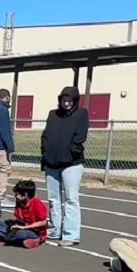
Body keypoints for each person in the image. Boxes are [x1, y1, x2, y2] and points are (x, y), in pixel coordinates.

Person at [40, 86, 88, 246]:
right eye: (64, 100)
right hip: (51, 164)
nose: (66, 103)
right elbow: (45, 135)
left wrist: (69, 154)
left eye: (69, 100)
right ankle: (54, 229)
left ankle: (70, 234)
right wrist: (45, 154)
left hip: (71, 164)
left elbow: (80, 137)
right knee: (53, 199)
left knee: (71, 199)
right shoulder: (53, 114)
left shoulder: (81, 114)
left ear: (75, 101)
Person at [0, 179, 47, 248]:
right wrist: (15, 226)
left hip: (34, 231)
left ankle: (36, 240)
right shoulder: (19, 202)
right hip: (20, 226)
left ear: (25, 195)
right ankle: (11, 238)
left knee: (21, 234)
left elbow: (43, 222)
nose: (15, 196)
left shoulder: (37, 204)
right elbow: (19, 218)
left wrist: (24, 227)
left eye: (17, 194)